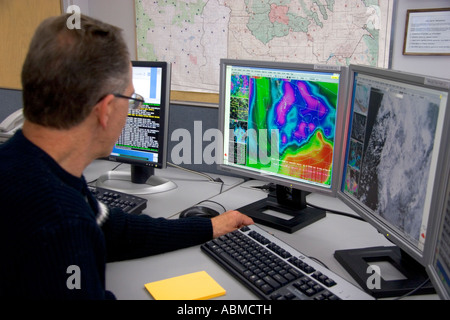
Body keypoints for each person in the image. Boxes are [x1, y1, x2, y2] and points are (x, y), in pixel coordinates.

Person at [0, 13, 253, 299]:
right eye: (133, 100)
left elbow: (110, 230)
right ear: (106, 109)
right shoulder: (59, 220)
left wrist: (208, 226)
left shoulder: (27, 163)